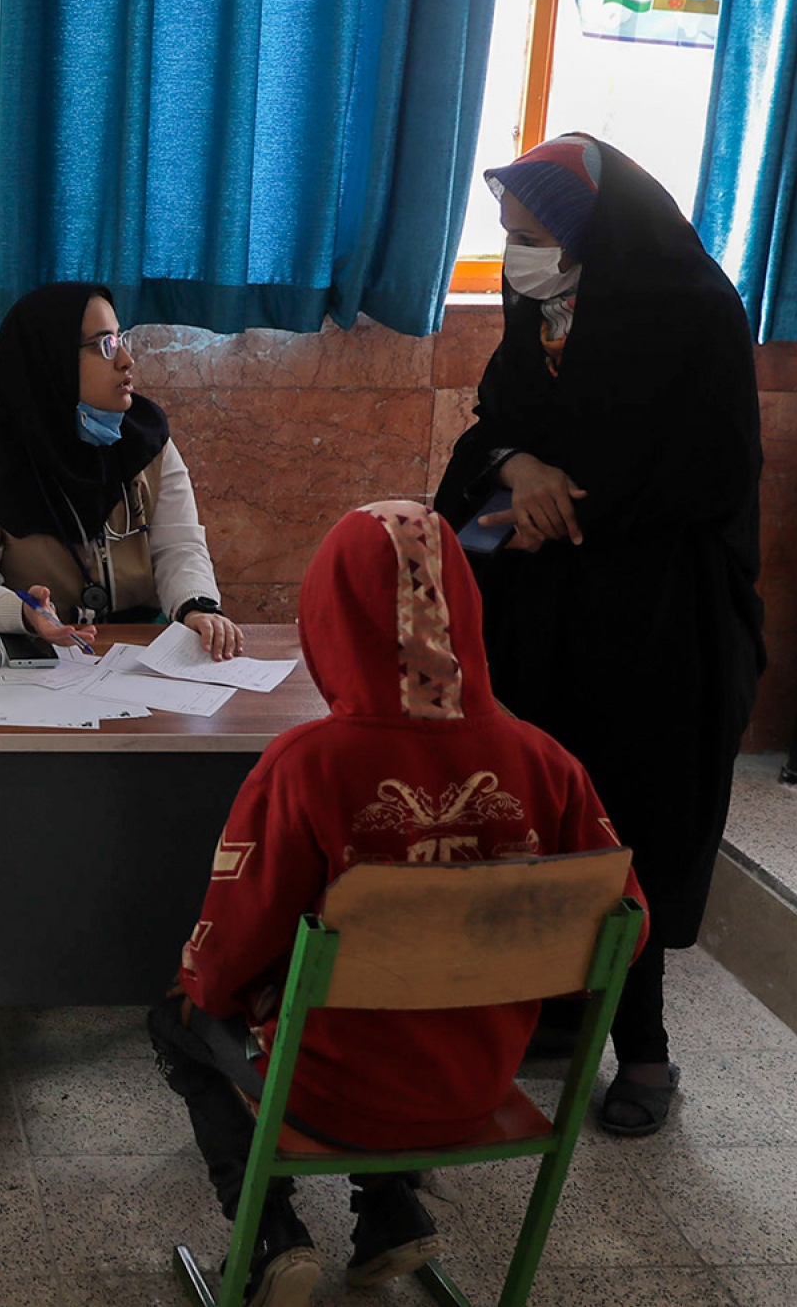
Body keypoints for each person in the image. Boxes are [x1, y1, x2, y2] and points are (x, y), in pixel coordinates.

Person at [151, 501, 646, 1305]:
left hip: (330, 1091)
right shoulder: (548, 763)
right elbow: (623, 931)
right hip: (479, 1084)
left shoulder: (305, 766)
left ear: (330, 617)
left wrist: (198, 986)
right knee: (405, 1011)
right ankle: (389, 1210)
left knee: (177, 1014)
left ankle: (271, 1232)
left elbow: (230, 955)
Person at [432, 134, 763, 1138]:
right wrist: (513, 469)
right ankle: (552, 1007)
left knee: (630, 829)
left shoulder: (693, 316)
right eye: (503, 231)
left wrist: (563, 503)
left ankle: (645, 1052)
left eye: (525, 233)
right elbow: (486, 430)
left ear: (587, 235)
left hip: (656, 630)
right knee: (531, 818)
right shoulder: (539, 311)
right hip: (541, 617)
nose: (510, 252)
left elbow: (711, 473)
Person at [0, 282, 244, 659]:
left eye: (121, 338)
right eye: (105, 345)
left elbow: (179, 547)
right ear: (52, 360)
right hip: (35, 655)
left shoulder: (146, 437)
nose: (126, 359)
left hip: (141, 650)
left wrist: (197, 606)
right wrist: (24, 613)